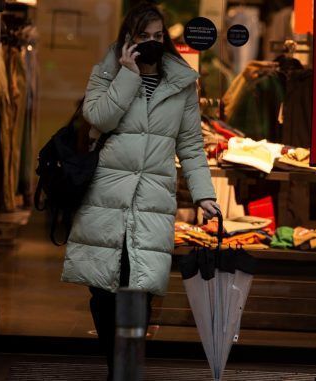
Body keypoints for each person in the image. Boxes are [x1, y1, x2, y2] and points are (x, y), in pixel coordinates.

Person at [60, 2, 220, 378]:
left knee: (140, 287)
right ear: (128, 39)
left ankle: (126, 369)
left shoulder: (181, 81)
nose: (152, 43)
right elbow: (98, 117)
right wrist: (127, 75)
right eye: (143, 36)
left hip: (151, 200)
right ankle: (116, 365)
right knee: (102, 291)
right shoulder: (108, 70)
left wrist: (204, 194)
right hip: (107, 197)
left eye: (157, 36)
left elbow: (191, 144)